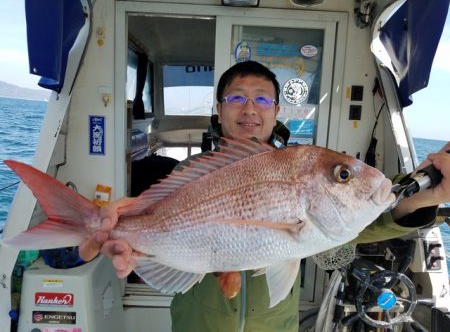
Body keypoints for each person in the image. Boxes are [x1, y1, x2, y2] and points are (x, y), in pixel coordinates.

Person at [79, 61, 450, 332]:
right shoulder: (187, 174)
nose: (250, 108)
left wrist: (422, 197)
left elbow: (357, 227)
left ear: (276, 112)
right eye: (237, 97)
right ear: (219, 108)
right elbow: (164, 231)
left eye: (263, 100)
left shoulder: (299, 171)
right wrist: (128, 236)